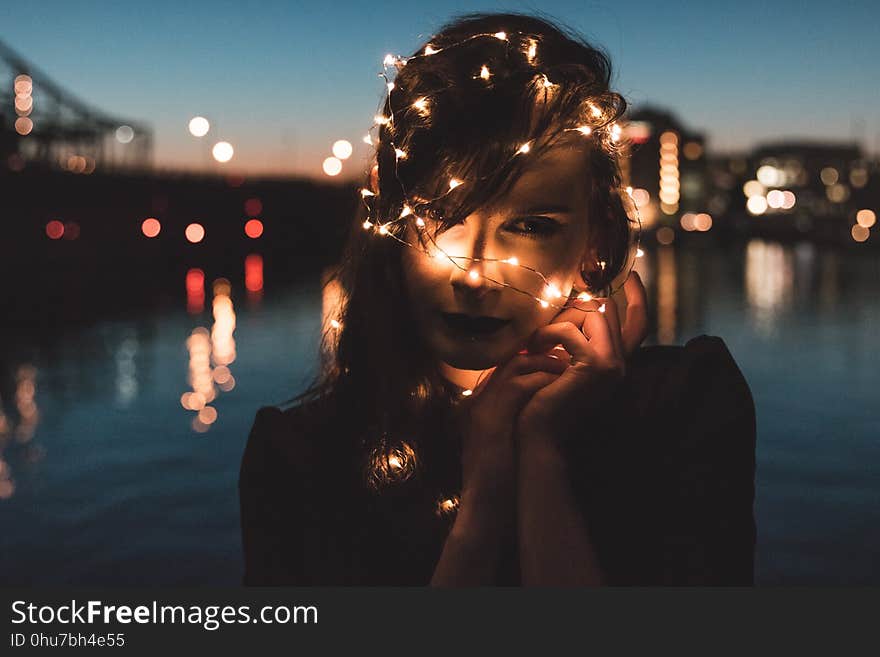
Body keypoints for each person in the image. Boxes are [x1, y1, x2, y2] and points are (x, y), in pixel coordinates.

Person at [239, 12, 756, 586]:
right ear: (390, 220)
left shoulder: (684, 412)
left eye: (531, 225)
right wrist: (483, 501)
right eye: (441, 215)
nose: (474, 276)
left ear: (597, 241)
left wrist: (541, 459)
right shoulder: (301, 459)